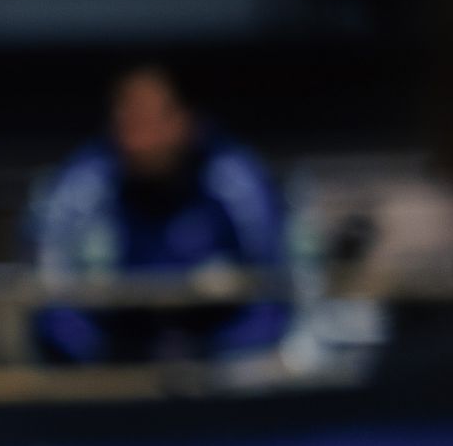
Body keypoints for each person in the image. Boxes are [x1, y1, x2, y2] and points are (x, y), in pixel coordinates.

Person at [30, 64, 292, 363]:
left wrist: (215, 358)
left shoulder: (236, 180)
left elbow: (276, 294)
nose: (136, 140)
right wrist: (106, 359)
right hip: (115, 366)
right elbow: (49, 302)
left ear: (184, 120)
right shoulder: (84, 183)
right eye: (126, 121)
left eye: (148, 121)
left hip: (220, 369)